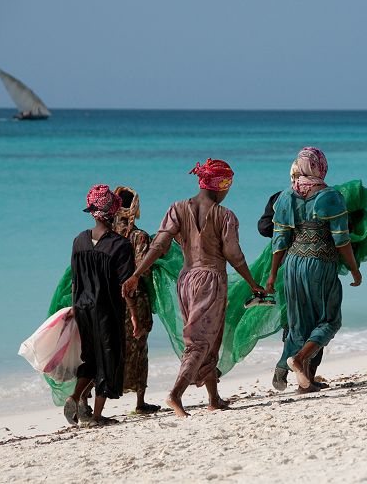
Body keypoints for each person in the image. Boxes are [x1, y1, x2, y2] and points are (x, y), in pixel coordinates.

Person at [122, 159, 265, 417]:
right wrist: (253, 283)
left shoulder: (177, 209)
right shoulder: (225, 216)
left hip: (186, 280)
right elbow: (234, 254)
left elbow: (159, 245)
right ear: (221, 185)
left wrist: (136, 274)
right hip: (211, 280)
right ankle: (175, 394)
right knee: (200, 342)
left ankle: (214, 398)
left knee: (209, 338)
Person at [265, 147, 362, 391]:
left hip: (293, 264)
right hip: (320, 263)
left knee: (299, 323)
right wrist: (354, 269)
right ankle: (297, 360)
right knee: (329, 320)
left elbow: (279, 241)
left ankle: (291, 373)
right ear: (320, 166)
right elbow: (342, 240)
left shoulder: (286, 197)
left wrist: (273, 274)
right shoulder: (330, 197)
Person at [64, 185, 141, 427]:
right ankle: (96, 416)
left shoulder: (79, 241)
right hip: (107, 310)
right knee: (109, 359)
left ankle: (74, 396)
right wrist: (134, 314)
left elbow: (75, 280)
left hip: (82, 308)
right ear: (115, 213)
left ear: (92, 212)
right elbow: (126, 287)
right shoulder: (120, 245)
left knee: (89, 358)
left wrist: (75, 309)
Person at [259, 191, 326, 392]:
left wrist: (283, 228)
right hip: (316, 265)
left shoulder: (280, 198)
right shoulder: (324, 197)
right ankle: (304, 376)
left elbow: (263, 227)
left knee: (294, 321)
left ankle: (292, 372)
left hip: (287, 266)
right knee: (319, 320)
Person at [112, 186, 161, 415]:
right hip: (136, 298)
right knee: (139, 347)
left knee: (110, 346)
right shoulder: (139, 236)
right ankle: (140, 401)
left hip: (110, 298)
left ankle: (93, 398)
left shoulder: (105, 235)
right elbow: (143, 270)